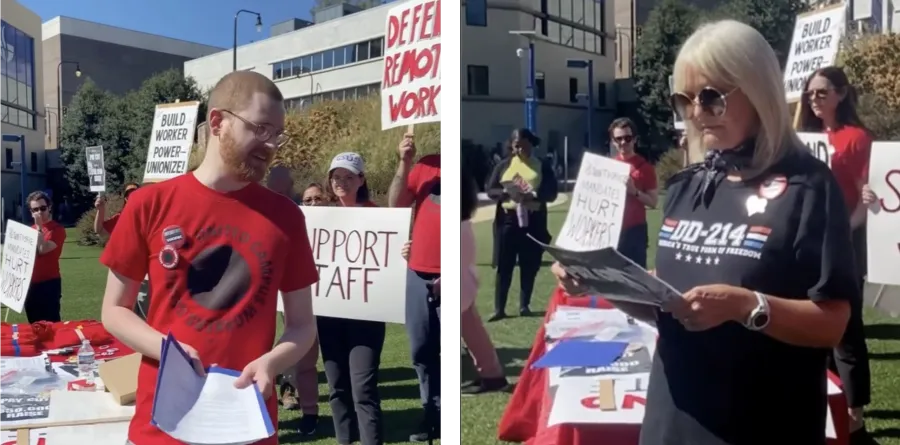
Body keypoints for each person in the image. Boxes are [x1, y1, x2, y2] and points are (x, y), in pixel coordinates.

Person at [554, 20, 858, 445]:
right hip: (672, 421)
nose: (695, 114)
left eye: (711, 98)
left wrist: (746, 306)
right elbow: (671, 308)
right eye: (685, 100)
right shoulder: (689, 184)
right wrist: (605, 282)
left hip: (763, 423)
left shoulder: (810, 187)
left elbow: (833, 324)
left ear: (757, 92)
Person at [99, 70, 318, 445]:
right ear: (218, 122)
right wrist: (168, 349)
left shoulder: (286, 217)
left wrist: (272, 363)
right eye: (261, 128)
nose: (271, 145)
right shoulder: (149, 204)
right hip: (163, 424)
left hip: (246, 422)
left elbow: (302, 326)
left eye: (277, 134)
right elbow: (114, 311)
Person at [798, 66, 876, 445]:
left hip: (844, 243)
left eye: (822, 92)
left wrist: (848, 227)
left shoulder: (857, 138)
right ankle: (829, 405)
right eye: (810, 93)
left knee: (846, 330)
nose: (814, 99)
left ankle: (856, 417)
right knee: (814, 326)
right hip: (806, 245)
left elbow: (865, 194)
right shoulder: (801, 139)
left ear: (841, 94)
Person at [317, 152, 385, 445]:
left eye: (348, 176)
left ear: (361, 180)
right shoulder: (320, 218)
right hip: (329, 313)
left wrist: (403, 252)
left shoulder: (379, 216)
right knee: (336, 387)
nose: (340, 182)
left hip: (366, 315)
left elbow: (388, 263)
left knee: (363, 388)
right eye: (336, 177)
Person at [388, 135, 443, 442]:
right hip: (416, 275)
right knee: (421, 351)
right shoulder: (424, 166)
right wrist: (405, 161)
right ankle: (430, 416)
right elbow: (395, 203)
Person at [265, 165, 320, 435]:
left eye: (284, 188)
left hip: (337, 298)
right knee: (300, 355)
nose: (280, 194)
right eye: (274, 189)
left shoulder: (301, 214)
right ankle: (300, 403)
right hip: (292, 299)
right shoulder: (268, 213)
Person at [485, 128, 559, 321]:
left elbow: (552, 193)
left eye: (521, 145)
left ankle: (524, 305)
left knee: (530, 263)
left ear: (529, 143)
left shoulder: (542, 165)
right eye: (514, 146)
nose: (517, 150)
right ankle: (499, 308)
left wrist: (533, 195)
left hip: (533, 220)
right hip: (508, 220)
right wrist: (506, 193)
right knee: (505, 265)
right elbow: (490, 189)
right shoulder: (504, 165)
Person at [457, 165, 508, 395]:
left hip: (457, 282)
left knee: (470, 330)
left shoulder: (458, 224)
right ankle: (491, 374)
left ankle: (491, 374)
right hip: (463, 281)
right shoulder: (463, 219)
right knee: (473, 330)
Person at [610, 118, 658, 267]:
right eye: (618, 139)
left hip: (634, 231)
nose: (623, 142)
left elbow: (653, 202)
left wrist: (634, 192)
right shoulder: (608, 166)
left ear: (635, 140)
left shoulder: (645, 168)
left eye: (627, 138)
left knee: (635, 281)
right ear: (613, 142)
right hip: (611, 230)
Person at [25, 191, 66, 323]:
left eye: (42, 208)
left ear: (49, 208)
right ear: (31, 212)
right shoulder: (28, 230)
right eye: (35, 209)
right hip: (31, 285)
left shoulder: (57, 229)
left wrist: (39, 227)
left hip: (49, 284)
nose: (39, 212)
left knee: (51, 325)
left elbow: (43, 249)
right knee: (34, 325)